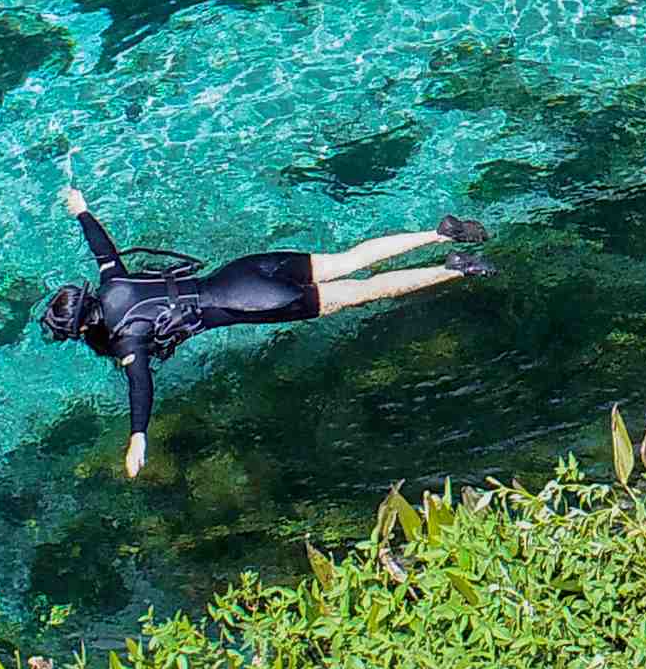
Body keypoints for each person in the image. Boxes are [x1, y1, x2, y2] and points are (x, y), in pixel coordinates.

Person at [36, 185, 486, 479]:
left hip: (252, 302)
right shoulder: (112, 280)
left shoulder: (126, 339)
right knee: (346, 260)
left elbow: (141, 385)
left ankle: (453, 270)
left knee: (362, 292)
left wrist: (138, 434)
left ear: (84, 324)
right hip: (245, 270)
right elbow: (102, 248)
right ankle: (440, 234)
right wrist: (81, 209)